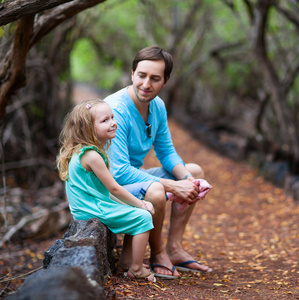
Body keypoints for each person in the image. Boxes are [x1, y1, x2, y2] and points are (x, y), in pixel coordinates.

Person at [104, 46, 212, 279]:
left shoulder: (157, 106)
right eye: (141, 75)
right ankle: (158, 252)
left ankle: (174, 248)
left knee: (194, 171)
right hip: (107, 186)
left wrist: (188, 180)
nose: (146, 84)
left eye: (155, 79)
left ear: (165, 82)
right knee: (155, 191)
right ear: (132, 73)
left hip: (131, 179)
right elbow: (119, 173)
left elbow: (166, 152)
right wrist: (173, 186)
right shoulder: (116, 109)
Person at [56, 99, 156, 282]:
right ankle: (137, 268)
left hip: (90, 205)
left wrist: (134, 205)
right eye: (105, 120)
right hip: (90, 209)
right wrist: (141, 204)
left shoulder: (85, 151)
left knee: (135, 211)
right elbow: (114, 188)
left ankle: (125, 263)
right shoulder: (92, 155)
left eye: (112, 117)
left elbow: (105, 191)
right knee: (144, 217)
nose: (113, 123)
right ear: (87, 129)